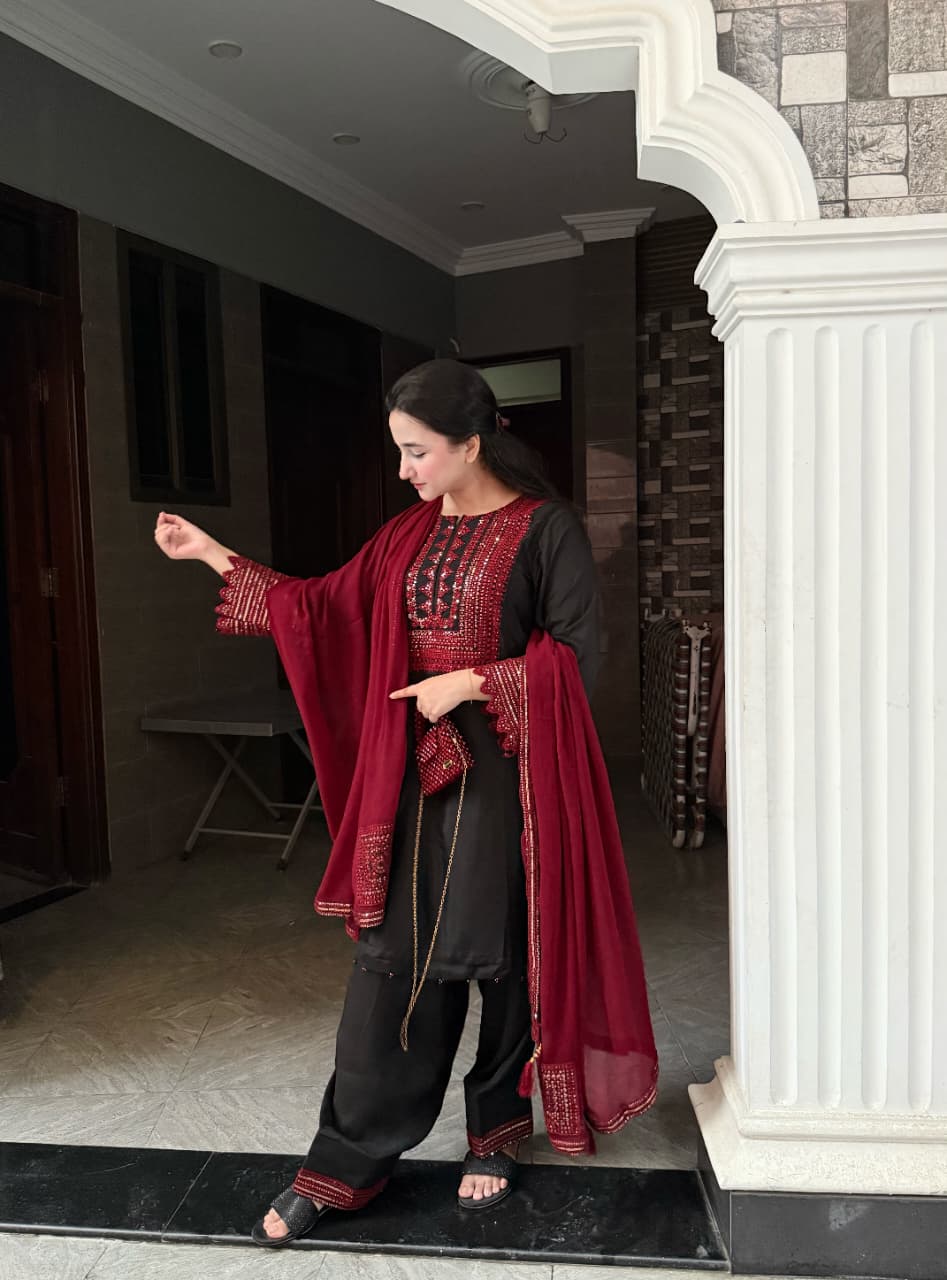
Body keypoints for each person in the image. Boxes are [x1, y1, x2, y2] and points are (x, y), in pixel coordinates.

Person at [154, 359, 657, 1247]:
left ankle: (496, 1130)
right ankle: (346, 1159)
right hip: (408, 775)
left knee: (504, 954)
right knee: (393, 962)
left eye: (416, 451)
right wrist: (210, 554)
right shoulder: (405, 535)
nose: (403, 470)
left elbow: (579, 660)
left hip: (509, 770)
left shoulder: (545, 529)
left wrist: (470, 682)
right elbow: (320, 609)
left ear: (472, 444)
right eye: (399, 451)